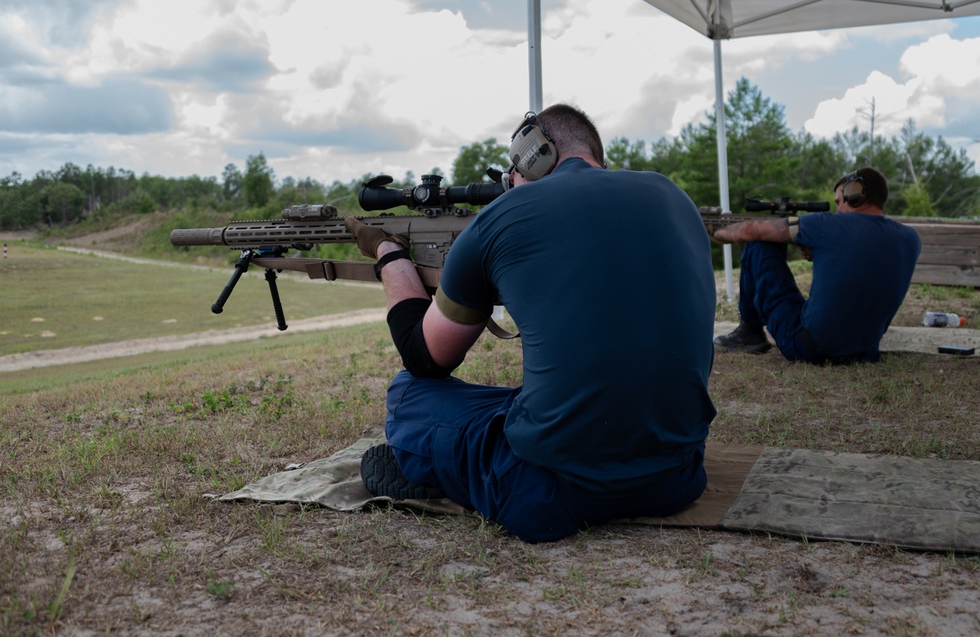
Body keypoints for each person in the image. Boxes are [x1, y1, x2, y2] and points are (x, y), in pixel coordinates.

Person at [345, 103, 717, 543]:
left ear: (533, 155)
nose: (510, 185)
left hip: (546, 492)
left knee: (408, 393)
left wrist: (390, 255)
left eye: (511, 173)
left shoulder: (501, 217)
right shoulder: (674, 197)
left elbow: (426, 357)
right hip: (676, 475)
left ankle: (436, 467)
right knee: (546, 397)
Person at [711, 167, 921, 364]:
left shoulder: (825, 224)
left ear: (855, 194)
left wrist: (717, 233)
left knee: (759, 243)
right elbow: (861, 261)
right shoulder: (910, 238)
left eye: (840, 201)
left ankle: (750, 333)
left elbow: (753, 230)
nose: (837, 209)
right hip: (865, 351)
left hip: (808, 348)